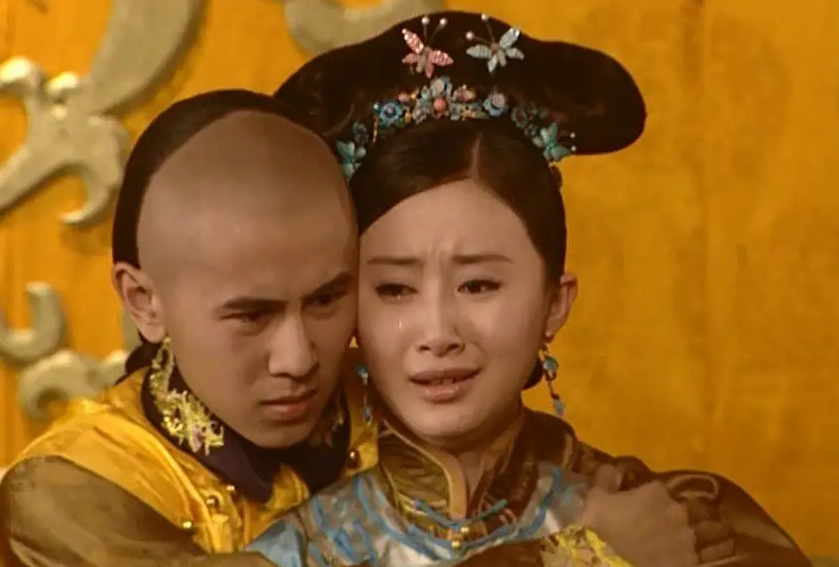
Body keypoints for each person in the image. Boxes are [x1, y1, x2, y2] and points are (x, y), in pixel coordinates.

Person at [247, 10, 812, 567]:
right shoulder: (297, 550)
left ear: (554, 303)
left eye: (478, 284)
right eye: (395, 289)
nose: (437, 333)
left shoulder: (675, 522)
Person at [0, 90, 377, 566]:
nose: (298, 360)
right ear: (144, 302)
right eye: (252, 316)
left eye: (326, 300)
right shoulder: (70, 491)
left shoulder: (408, 410)